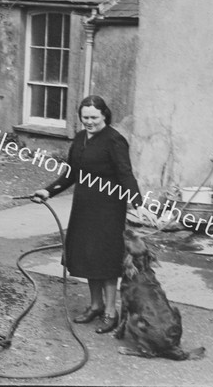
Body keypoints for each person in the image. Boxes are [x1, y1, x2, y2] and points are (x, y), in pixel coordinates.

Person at [33, 95, 143, 334]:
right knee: (88, 256)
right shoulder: (81, 138)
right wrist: (48, 190)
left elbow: (125, 174)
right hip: (84, 208)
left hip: (108, 210)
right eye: (85, 118)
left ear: (104, 115)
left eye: (94, 117)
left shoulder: (115, 141)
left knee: (106, 260)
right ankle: (95, 305)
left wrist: (138, 203)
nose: (90, 122)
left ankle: (110, 313)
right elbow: (71, 173)